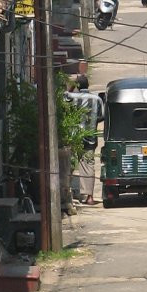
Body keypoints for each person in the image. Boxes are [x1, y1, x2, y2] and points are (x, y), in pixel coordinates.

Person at [65, 74, 103, 205]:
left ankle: (66, 194)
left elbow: (62, 97)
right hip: (90, 137)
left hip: (74, 137)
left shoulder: (71, 97)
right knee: (88, 165)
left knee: (68, 165)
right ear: (88, 85)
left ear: (77, 86)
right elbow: (101, 116)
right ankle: (89, 197)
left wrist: (71, 88)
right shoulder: (96, 99)